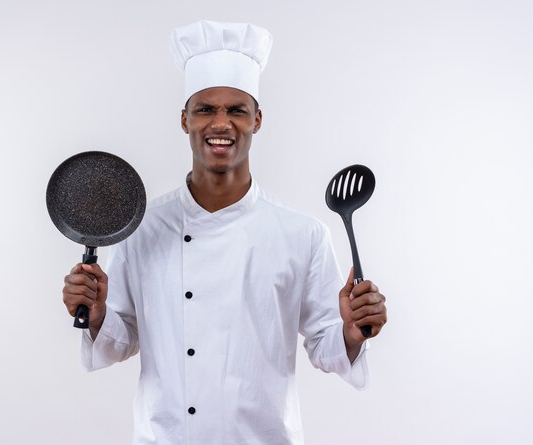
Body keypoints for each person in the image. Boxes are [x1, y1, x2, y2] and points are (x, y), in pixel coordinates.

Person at [62, 20, 387, 445]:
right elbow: (119, 341)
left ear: (257, 119)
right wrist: (98, 312)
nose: (221, 123)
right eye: (205, 109)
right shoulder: (141, 229)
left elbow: (328, 347)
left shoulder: (302, 233)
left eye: (236, 110)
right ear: (184, 120)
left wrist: (350, 329)